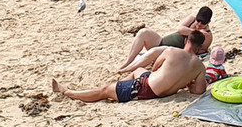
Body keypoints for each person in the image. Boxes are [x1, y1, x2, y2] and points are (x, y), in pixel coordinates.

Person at [53, 31, 208, 103]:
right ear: (199, 47)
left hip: (146, 89)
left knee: (104, 91)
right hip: (161, 90)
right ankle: (121, 85)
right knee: (138, 71)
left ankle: (67, 92)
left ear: (186, 41)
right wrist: (186, 81)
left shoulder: (172, 51)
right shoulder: (200, 67)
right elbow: (198, 91)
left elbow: (155, 68)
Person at [116, 7, 214, 74]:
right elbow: (180, 29)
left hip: (170, 51)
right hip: (161, 41)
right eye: (198, 20)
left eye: (203, 22)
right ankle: (128, 62)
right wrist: (195, 31)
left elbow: (198, 51)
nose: (199, 24)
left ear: (208, 22)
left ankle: (128, 69)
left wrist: (199, 35)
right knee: (143, 32)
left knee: (153, 52)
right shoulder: (192, 20)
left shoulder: (207, 35)